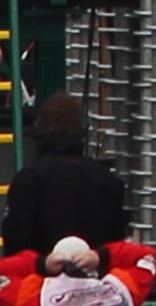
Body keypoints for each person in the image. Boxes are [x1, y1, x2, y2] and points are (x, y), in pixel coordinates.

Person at [0, 95, 132, 256]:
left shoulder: (28, 179)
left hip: (39, 277)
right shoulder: (110, 181)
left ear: (40, 129)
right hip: (96, 277)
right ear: (83, 129)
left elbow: (16, 241)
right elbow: (116, 244)